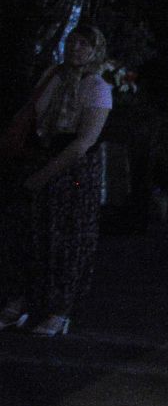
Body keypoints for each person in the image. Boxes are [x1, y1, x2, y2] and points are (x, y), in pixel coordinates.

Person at [2, 25, 113, 336]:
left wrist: (44, 176)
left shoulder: (97, 87)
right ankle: (18, 303)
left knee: (65, 240)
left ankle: (58, 310)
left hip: (70, 170)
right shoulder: (53, 75)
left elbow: (83, 143)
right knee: (26, 235)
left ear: (95, 50)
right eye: (72, 42)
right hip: (38, 155)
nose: (76, 49)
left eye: (84, 44)